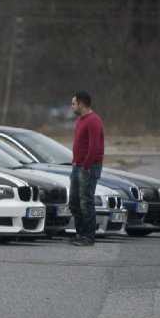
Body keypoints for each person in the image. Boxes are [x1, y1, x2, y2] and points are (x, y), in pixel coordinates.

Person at [68, 90, 105, 246]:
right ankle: (80, 233)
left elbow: (95, 147)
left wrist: (86, 166)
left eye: (74, 104)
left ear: (82, 104)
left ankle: (89, 237)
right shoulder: (81, 120)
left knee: (86, 202)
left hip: (88, 168)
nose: (72, 107)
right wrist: (75, 162)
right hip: (77, 166)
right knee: (74, 202)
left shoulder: (93, 121)